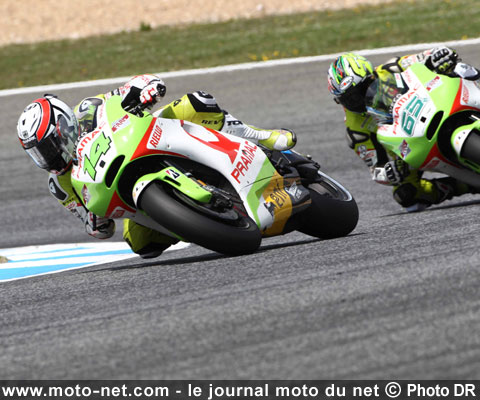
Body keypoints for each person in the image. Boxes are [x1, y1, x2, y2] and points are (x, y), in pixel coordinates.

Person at [17, 75, 297, 258]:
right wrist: (95, 221)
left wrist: (147, 89)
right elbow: (98, 228)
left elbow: (126, 91)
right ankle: (202, 218)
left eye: (48, 147)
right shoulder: (59, 184)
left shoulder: (88, 109)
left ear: (63, 126)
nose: (47, 157)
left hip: (144, 136)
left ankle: (262, 136)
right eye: (38, 153)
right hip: (125, 188)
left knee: (196, 103)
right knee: (140, 244)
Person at [327, 47, 480, 211]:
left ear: (372, 75)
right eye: (349, 98)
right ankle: (465, 185)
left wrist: (439, 56)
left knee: (459, 69)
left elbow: (425, 57)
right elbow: (375, 169)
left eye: (362, 89)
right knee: (406, 194)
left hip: (430, 103)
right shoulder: (355, 130)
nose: (359, 99)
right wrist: (388, 172)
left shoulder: (391, 68)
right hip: (406, 147)